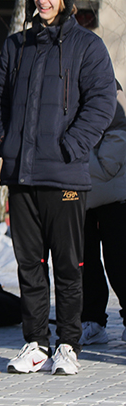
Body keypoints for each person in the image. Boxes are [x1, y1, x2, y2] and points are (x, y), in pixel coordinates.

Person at [0, 0, 116, 375]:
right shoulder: (16, 46)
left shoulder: (87, 47)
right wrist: (2, 141)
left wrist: (73, 145)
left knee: (68, 264)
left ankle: (68, 345)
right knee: (29, 265)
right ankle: (35, 343)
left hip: (64, 174)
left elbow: (102, 104)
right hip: (21, 174)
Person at [80, 83, 126, 345]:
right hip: (79, 195)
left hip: (114, 195)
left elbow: (117, 141)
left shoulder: (110, 90)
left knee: (119, 261)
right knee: (84, 263)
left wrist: (79, 163)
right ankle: (92, 321)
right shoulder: (67, 86)